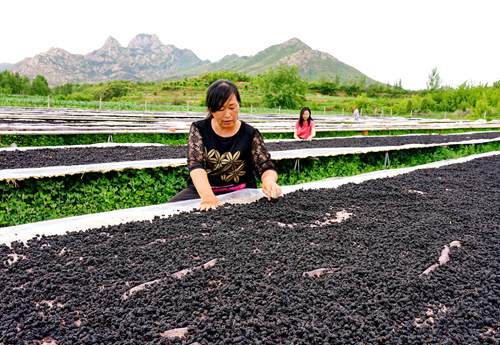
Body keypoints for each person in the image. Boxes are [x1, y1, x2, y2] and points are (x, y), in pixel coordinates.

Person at [170, 79, 282, 210]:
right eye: (221, 109)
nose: (228, 114)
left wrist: (269, 181)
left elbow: (265, 165)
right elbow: (196, 164)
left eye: (232, 107)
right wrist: (208, 197)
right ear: (211, 109)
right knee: (168, 211)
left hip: (240, 191)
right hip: (204, 190)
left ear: (239, 105)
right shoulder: (199, 129)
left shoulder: (250, 133)